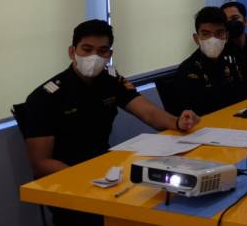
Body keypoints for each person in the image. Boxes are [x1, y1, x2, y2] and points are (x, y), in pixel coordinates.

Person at [22, 19, 199, 226]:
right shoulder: (46, 97)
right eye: (87, 49)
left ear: (109, 55)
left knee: (164, 198)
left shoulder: (110, 80)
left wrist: (178, 122)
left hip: (106, 173)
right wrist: (86, 178)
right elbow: (41, 163)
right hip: (68, 181)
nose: (94, 56)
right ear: (72, 52)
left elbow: (149, 113)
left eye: (102, 51)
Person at [175, 6, 247, 116]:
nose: (213, 39)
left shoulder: (232, 62)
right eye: (206, 34)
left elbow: (241, 99)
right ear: (196, 38)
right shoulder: (187, 70)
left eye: (219, 33)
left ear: (227, 37)